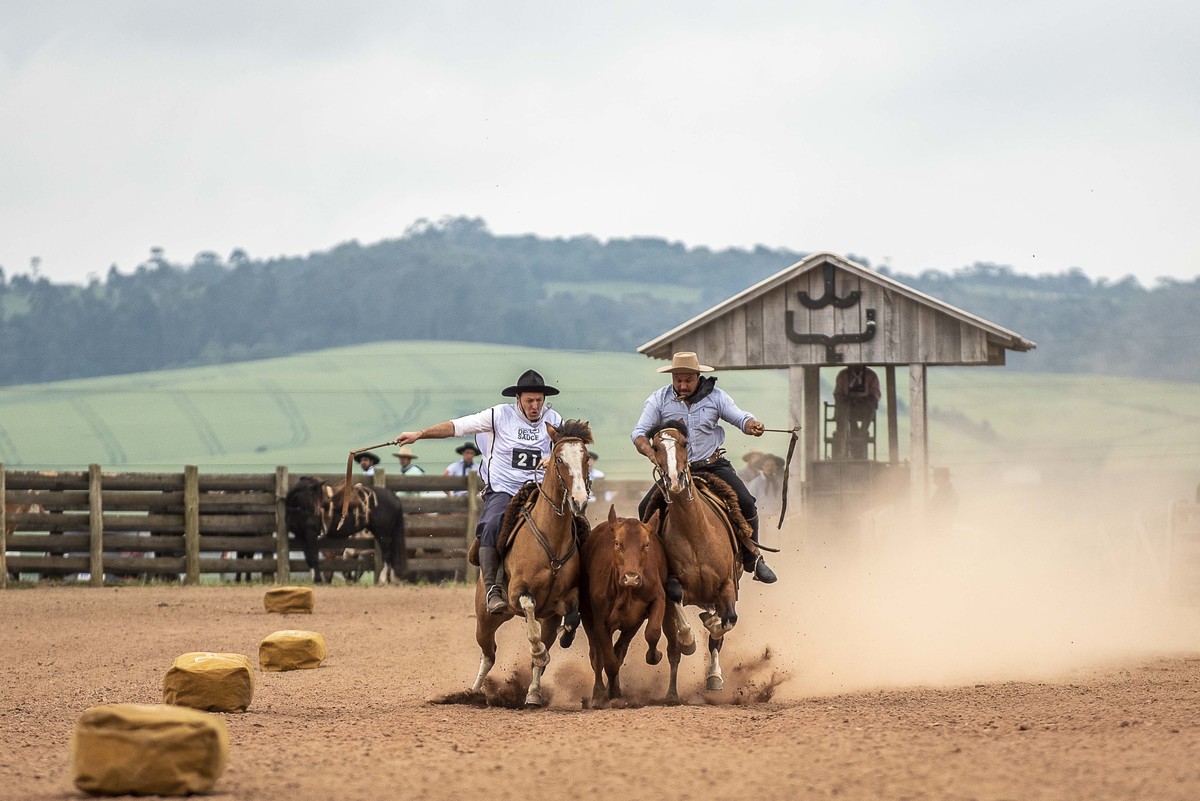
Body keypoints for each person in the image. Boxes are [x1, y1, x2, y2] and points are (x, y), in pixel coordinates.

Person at [395, 369, 564, 614]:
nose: (535, 406)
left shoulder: (554, 419)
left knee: (572, 524)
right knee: (491, 525)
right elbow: (458, 426)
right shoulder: (498, 416)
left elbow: (567, 446)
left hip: (540, 490)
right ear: (518, 398)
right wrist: (420, 434)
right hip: (504, 489)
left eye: (539, 400)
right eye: (529, 400)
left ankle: (577, 587)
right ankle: (492, 590)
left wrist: (553, 456)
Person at [630, 351, 777, 584]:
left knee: (746, 502)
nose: (682, 385)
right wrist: (651, 453)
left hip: (712, 465)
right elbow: (639, 433)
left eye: (688, 380)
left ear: (698, 376)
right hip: (675, 471)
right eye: (678, 380)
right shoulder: (658, 400)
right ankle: (655, 567)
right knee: (644, 509)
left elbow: (740, 418)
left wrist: (751, 425)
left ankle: (753, 559)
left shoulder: (716, 397)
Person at [833, 364, 881, 459]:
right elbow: (838, 393)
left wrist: (862, 400)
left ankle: (862, 432)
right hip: (848, 408)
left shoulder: (871, 375)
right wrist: (849, 400)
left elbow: (875, 394)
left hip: (865, 408)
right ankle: (844, 440)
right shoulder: (843, 375)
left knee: (871, 404)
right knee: (843, 407)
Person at [747, 453, 785, 518]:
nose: (770, 468)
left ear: (776, 467)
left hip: (778, 516)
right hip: (761, 516)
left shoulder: (780, 482)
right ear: (762, 467)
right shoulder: (755, 483)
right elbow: (750, 501)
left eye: (772, 465)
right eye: (767, 465)